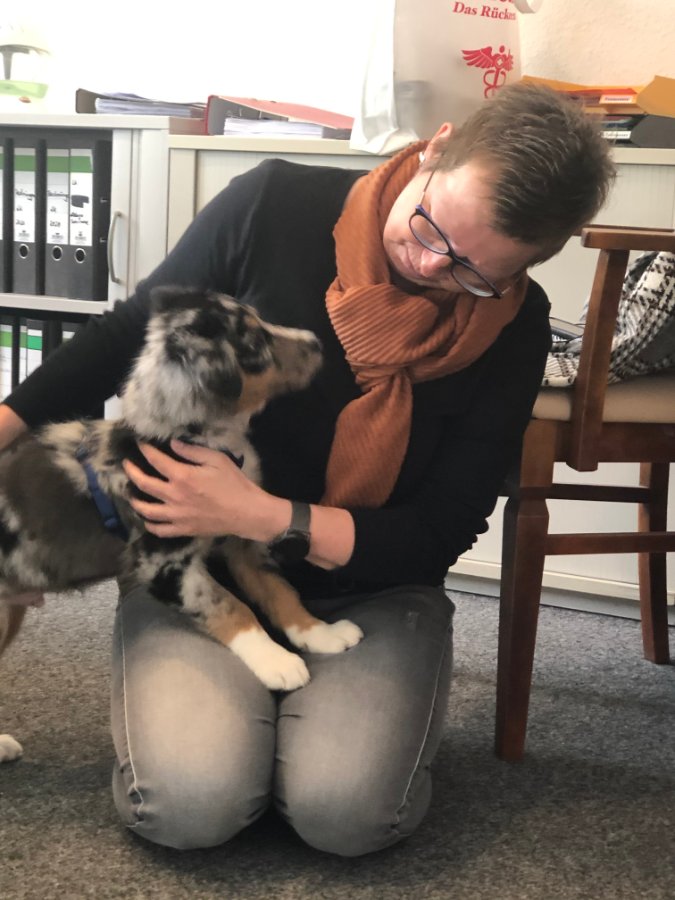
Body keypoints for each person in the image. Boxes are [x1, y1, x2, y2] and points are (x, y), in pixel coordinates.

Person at [0, 82, 615, 856]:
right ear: (434, 149)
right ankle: (240, 720)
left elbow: (441, 530)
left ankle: (296, 722)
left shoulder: (514, 328)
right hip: (200, 565)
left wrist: (261, 515)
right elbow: (126, 332)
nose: (429, 264)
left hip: (371, 586)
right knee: (190, 806)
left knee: (344, 814)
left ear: (526, 266)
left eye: (471, 271)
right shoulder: (273, 204)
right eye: (429, 225)